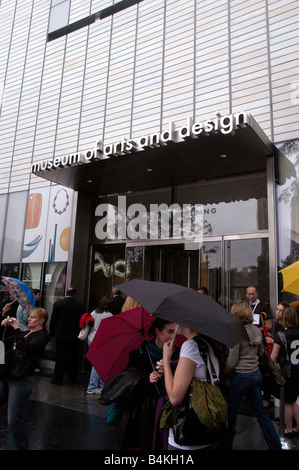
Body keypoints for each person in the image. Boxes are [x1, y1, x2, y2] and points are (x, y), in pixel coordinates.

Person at [101, 316, 178, 450]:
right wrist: (146, 380)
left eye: (175, 332)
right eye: (170, 332)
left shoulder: (179, 354)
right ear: (158, 331)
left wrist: (170, 366)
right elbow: (128, 384)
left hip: (170, 413)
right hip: (145, 416)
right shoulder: (140, 353)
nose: (173, 337)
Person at [224, 301, 281, 450]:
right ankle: (275, 445)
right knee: (261, 414)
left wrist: (225, 372)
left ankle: (226, 446)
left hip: (241, 376)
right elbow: (261, 352)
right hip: (255, 374)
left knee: (231, 415)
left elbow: (232, 360)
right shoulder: (256, 330)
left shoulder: (237, 332)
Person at [162, 324, 222, 451]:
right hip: (208, 432)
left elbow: (174, 398)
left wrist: (166, 360)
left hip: (188, 438)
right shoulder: (209, 344)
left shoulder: (190, 346)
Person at [0, 307, 49, 449]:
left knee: (14, 419)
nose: (29, 319)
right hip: (7, 374)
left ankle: (23, 447)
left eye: (33, 317)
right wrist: (3, 325)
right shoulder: (26, 333)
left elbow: (27, 348)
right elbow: (4, 343)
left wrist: (17, 330)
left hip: (22, 378)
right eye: (29, 316)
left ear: (41, 320)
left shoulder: (42, 336)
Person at [271, 308, 299, 435]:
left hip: (287, 371)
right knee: (293, 400)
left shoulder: (281, 335)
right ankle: (298, 426)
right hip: (297, 369)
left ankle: (288, 427)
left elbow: (273, 356)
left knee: (287, 401)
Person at [50, 287, 85, 385]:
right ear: (74, 294)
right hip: (73, 335)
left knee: (60, 357)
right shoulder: (79, 306)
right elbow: (81, 321)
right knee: (73, 358)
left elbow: (53, 319)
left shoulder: (58, 304)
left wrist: (52, 332)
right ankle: (72, 378)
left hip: (61, 335)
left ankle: (58, 378)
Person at [86, 296, 113, 395]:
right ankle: (92, 387)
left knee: (98, 363)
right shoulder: (109, 315)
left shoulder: (94, 312)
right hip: (101, 341)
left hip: (91, 338)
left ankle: (101, 385)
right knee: (98, 364)